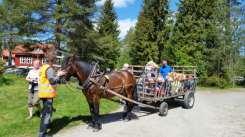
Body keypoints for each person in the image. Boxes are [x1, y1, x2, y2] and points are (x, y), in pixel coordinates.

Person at [38, 57, 66, 137]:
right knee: (47, 115)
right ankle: (42, 134)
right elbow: (52, 81)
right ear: (51, 61)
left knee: (45, 113)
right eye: (55, 61)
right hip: (48, 95)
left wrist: (58, 77)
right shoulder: (49, 68)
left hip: (43, 94)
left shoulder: (42, 68)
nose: (55, 63)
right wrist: (58, 75)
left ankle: (46, 128)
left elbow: (48, 79)